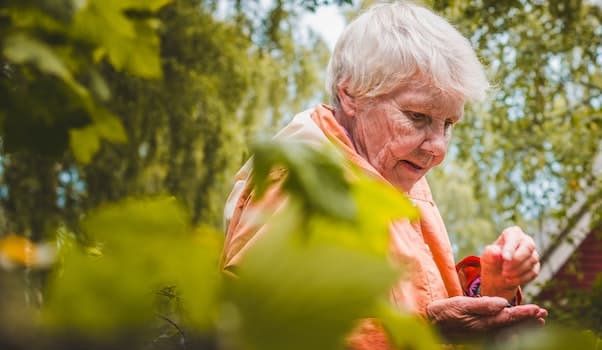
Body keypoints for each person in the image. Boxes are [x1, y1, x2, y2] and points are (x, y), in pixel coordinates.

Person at [220, 1, 547, 348]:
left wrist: (491, 289)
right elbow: (253, 331)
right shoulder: (302, 182)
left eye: (448, 124)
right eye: (417, 116)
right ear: (351, 94)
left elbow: (416, 297)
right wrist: (425, 330)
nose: (438, 148)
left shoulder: (394, 173)